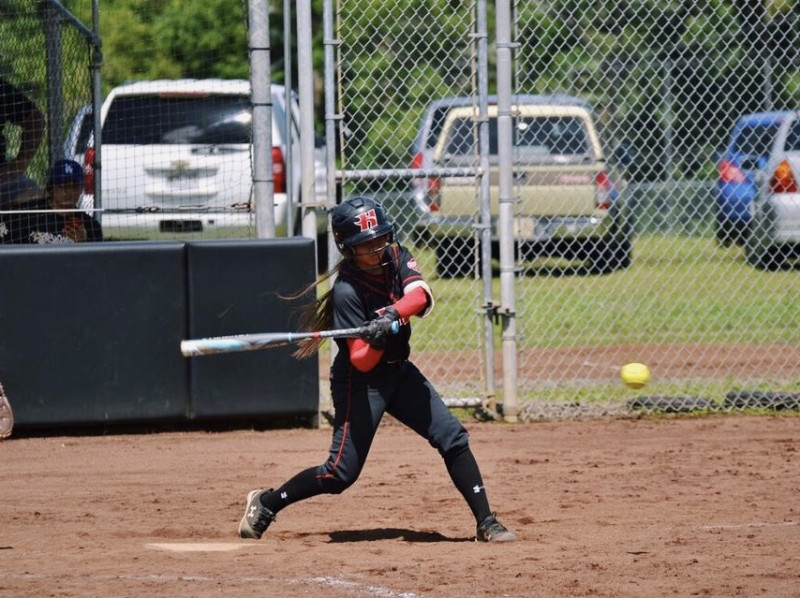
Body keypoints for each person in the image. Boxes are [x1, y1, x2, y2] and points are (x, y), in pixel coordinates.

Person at [237, 196, 517, 543]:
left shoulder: (397, 256)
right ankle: (266, 502)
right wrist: (379, 338)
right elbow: (362, 360)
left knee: (452, 437)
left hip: (400, 372)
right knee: (340, 474)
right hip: (361, 383)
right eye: (366, 244)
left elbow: (421, 295)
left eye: (381, 238)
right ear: (347, 248)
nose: (377, 248)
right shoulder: (346, 292)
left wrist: (390, 317)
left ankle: (486, 522)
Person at [0, 158, 102, 244]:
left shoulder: (90, 226)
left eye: (74, 186)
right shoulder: (28, 213)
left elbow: (96, 263)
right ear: (51, 187)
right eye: (63, 186)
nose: (69, 192)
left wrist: (84, 242)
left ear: (81, 189)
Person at [0, 76, 45, 208]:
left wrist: (21, 161)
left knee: (34, 197)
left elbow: (35, 119)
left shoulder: (2, 89)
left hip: (2, 177)